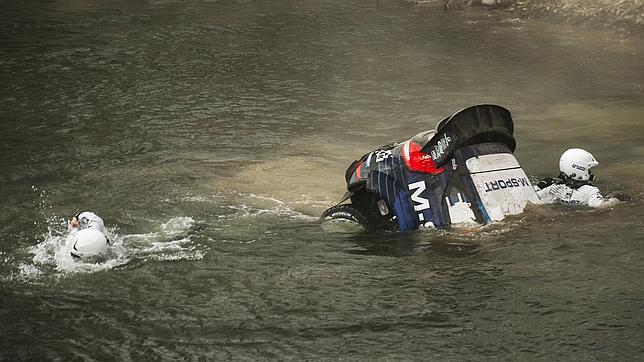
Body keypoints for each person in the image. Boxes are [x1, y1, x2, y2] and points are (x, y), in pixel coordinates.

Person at [534, 148, 626, 208]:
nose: (590, 173)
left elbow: (532, 198)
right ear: (579, 169)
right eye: (588, 169)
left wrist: (540, 185)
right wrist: (616, 199)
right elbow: (600, 206)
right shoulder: (590, 191)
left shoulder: (554, 187)